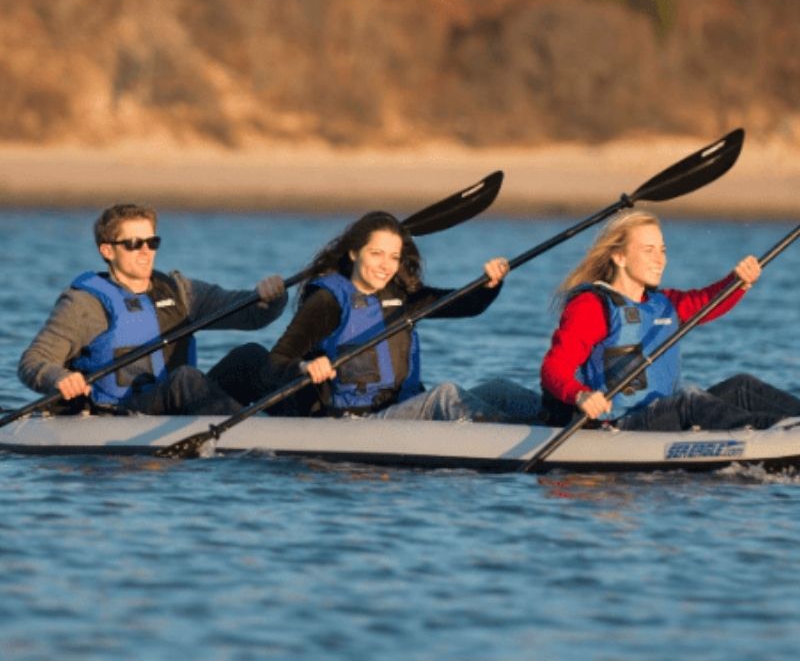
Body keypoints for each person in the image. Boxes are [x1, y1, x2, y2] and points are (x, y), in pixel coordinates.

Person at [262, 210, 539, 421]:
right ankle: (511, 439)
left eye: (393, 257)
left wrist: (490, 284)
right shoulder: (327, 300)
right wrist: (304, 367)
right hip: (357, 420)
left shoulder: (402, 297)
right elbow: (275, 363)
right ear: (354, 253)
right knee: (445, 395)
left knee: (501, 390)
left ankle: (565, 419)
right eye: (376, 254)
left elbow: (467, 305)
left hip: (404, 409)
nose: (386, 266)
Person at [539, 209, 800, 431]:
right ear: (619, 257)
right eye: (648, 250)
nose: (660, 259)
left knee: (742, 386)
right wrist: (580, 395)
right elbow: (554, 368)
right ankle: (773, 434)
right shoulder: (591, 306)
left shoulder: (663, 303)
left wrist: (738, 282)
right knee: (689, 400)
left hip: (661, 414)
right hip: (618, 424)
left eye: (662, 250)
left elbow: (706, 303)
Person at [18, 203, 288, 415]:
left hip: (180, 402)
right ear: (107, 251)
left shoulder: (181, 291)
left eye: (152, 242)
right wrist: (59, 378)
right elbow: (33, 361)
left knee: (251, 357)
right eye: (133, 244)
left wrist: (271, 298)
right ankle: (250, 433)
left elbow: (253, 315)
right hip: (122, 413)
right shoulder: (85, 304)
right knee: (185, 379)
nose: (146, 252)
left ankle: (303, 422)